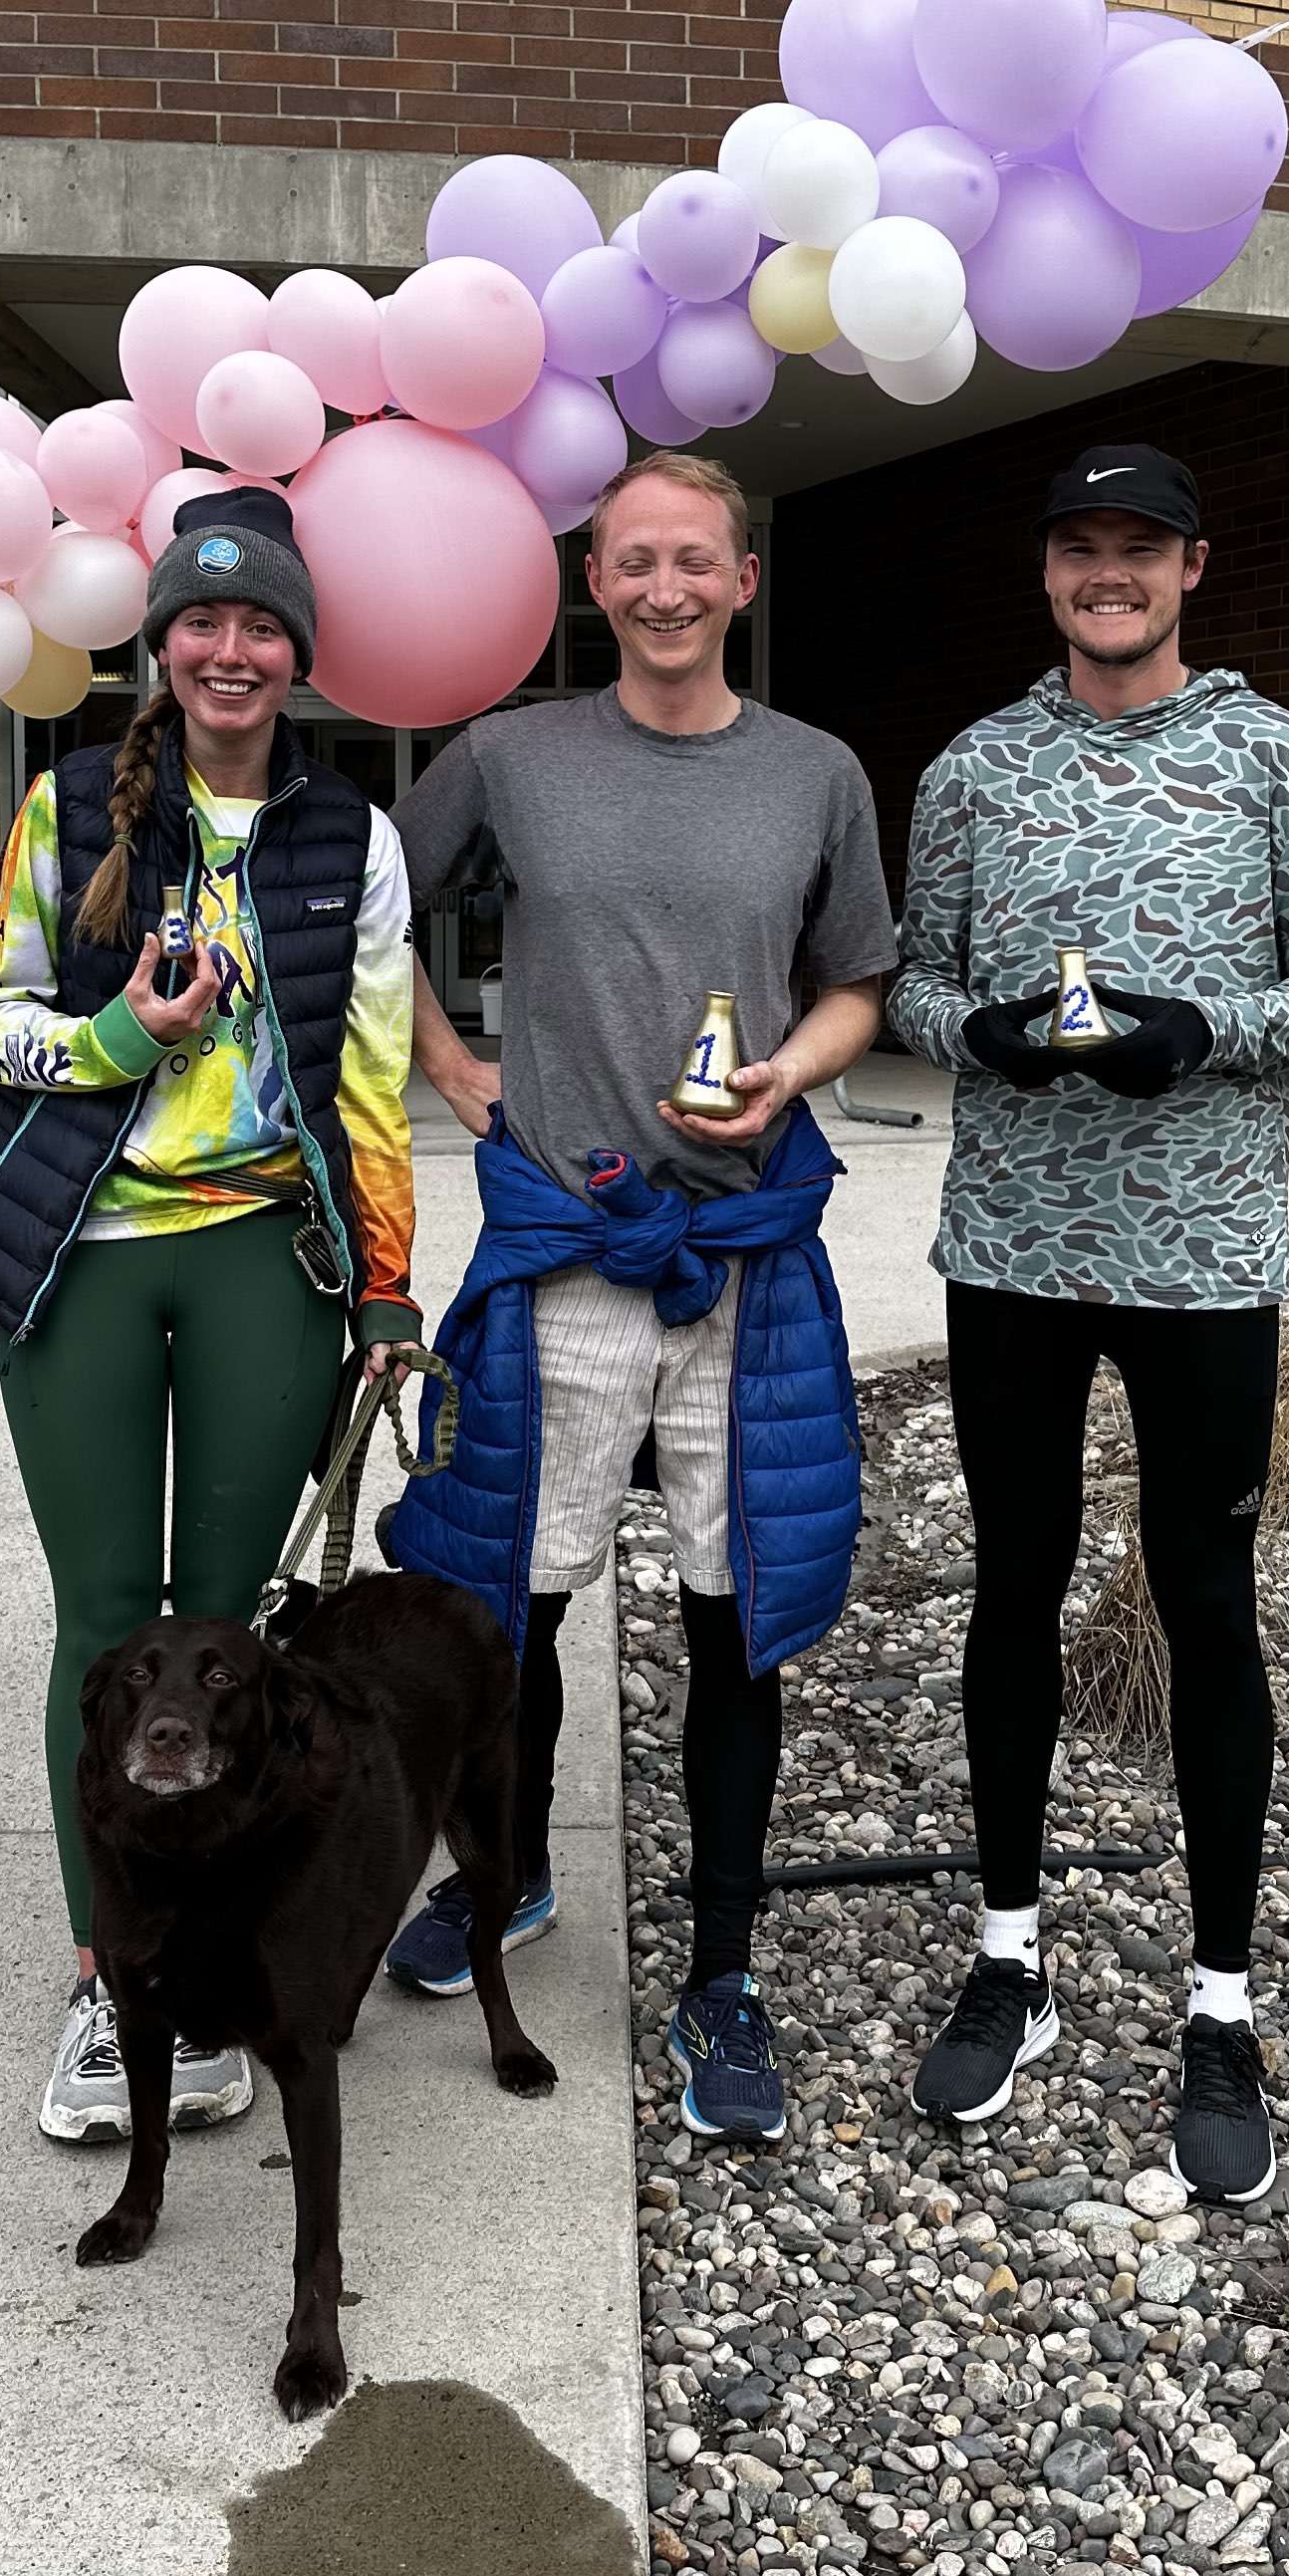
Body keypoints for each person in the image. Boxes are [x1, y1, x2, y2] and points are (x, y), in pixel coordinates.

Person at [886, 440, 1289, 2201]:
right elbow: (914, 983)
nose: (1110, 576)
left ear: (1191, 570)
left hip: (1203, 1262)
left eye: (1140, 550)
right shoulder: (974, 769)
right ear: (1047, 577)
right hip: (1015, 1247)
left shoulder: (1272, 756)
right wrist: (985, 1034)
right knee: (1013, 1587)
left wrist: (1208, 1030)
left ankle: (1221, 1997)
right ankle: (1010, 1950)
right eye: (1080, 550)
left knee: (1205, 1600)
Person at [383, 451, 896, 2151]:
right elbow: (372, 923)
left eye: (694, 562)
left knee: (734, 1612)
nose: (662, 589)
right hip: (566, 1252)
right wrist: (450, 1067)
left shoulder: (815, 773)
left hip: (744, 1253)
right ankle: (509, 1877)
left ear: (745, 579)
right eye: (629, 563)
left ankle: (723, 1970)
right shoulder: (509, 759)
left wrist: (790, 1081)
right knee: (509, 1600)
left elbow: (858, 979)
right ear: (589, 583)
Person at [0, 485, 420, 2147]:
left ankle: (222, 1959)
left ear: (298, 652)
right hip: (79, 1249)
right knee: (105, 1625)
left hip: (254, 1261)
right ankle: (111, 1971)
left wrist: (382, 1284)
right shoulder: (73, 805)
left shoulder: (353, 836)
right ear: (161, 645)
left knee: (222, 1630)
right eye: (202, 622)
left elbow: (371, 1086)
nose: (231, 649)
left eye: (262, 624)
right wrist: (117, 1046)